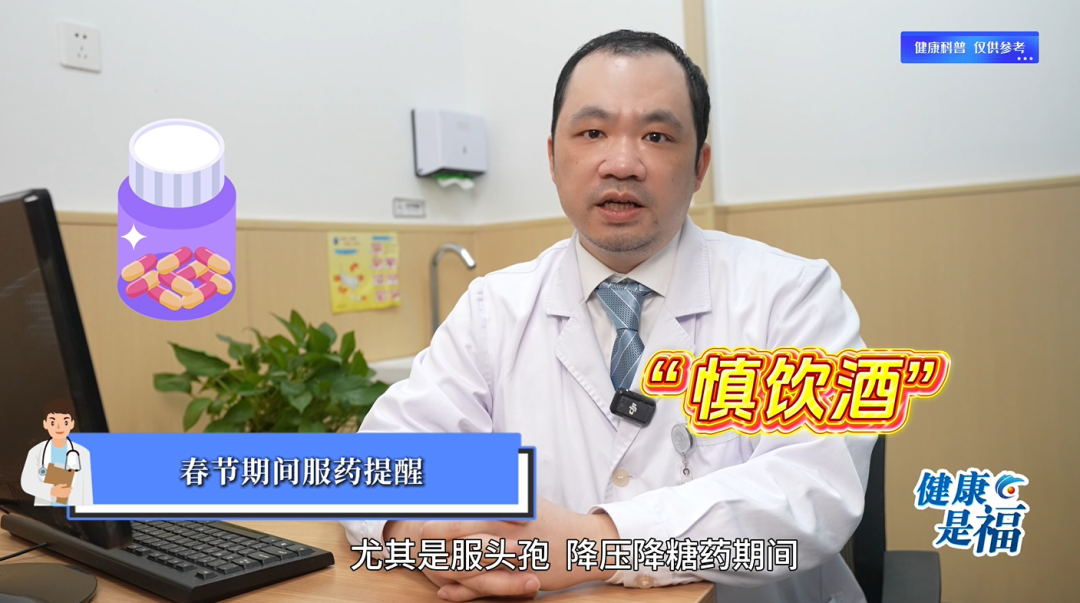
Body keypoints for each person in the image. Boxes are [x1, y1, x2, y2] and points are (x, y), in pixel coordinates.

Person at [343, 29, 874, 603]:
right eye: (593, 132)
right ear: (553, 158)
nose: (621, 163)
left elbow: (816, 488)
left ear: (700, 166)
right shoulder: (493, 309)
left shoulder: (793, 295)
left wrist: (599, 543)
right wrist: (421, 533)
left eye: (656, 135)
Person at [20, 399, 93, 507]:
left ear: (72, 424)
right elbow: (27, 483)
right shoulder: (36, 452)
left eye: (65, 422)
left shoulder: (83, 453)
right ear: (45, 424)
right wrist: (51, 491)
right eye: (53, 422)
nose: (59, 427)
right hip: (46, 510)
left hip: (73, 509)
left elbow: (86, 489)